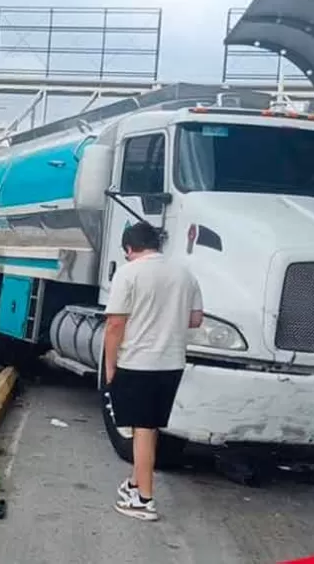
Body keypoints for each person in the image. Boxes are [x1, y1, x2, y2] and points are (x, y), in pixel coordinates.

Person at [102, 221, 202, 522]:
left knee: (142, 430)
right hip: (171, 362)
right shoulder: (185, 274)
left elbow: (114, 325)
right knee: (150, 427)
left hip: (138, 361)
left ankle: (144, 500)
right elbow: (195, 320)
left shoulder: (129, 273)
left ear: (129, 248)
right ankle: (134, 483)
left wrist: (110, 366)